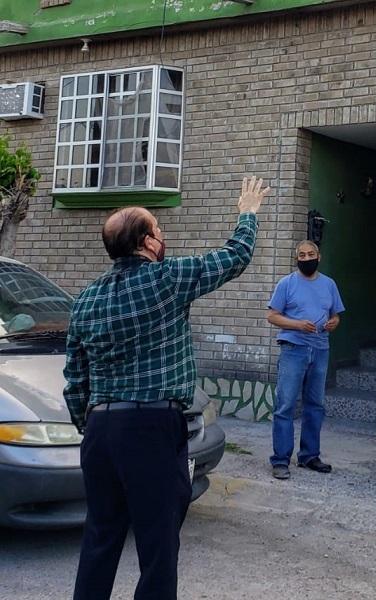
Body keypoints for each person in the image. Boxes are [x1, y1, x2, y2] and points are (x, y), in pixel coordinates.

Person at [64, 176, 269, 600]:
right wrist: (247, 213)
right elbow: (234, 257)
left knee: (99, 540)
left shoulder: (85, 299)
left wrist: (92, 424)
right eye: (159, 230)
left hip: (100, 433)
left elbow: (75, 379)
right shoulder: (168, 278)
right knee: (158, 547)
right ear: (146, 243)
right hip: (151, 428)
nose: (164, 237)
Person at [267, 240, 344, 480]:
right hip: (294, 349)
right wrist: (298, 324)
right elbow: (272, 316)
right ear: (297, 258)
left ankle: (309, 456)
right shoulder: (286, 284)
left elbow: (336, 316)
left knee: (315, 405)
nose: (306, 258)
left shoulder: (329, 284)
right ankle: (280, 460)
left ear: (318, 257)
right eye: (302, 255)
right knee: (286, 405)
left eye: (310, 254)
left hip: (321, 349)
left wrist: (334, 323)